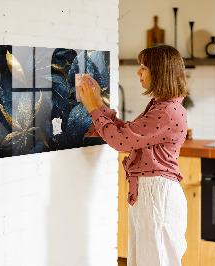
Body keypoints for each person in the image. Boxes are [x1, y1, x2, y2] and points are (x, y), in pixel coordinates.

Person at [77, 44, 189, 266]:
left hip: (157, 195)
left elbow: (120, 141)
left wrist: (92, 108)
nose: (138, 72)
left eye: (144, 67)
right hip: (152, 193)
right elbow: (127, 133)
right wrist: (98, 103)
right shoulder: (162, 106)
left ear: (160, 72)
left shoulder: (166, 111)